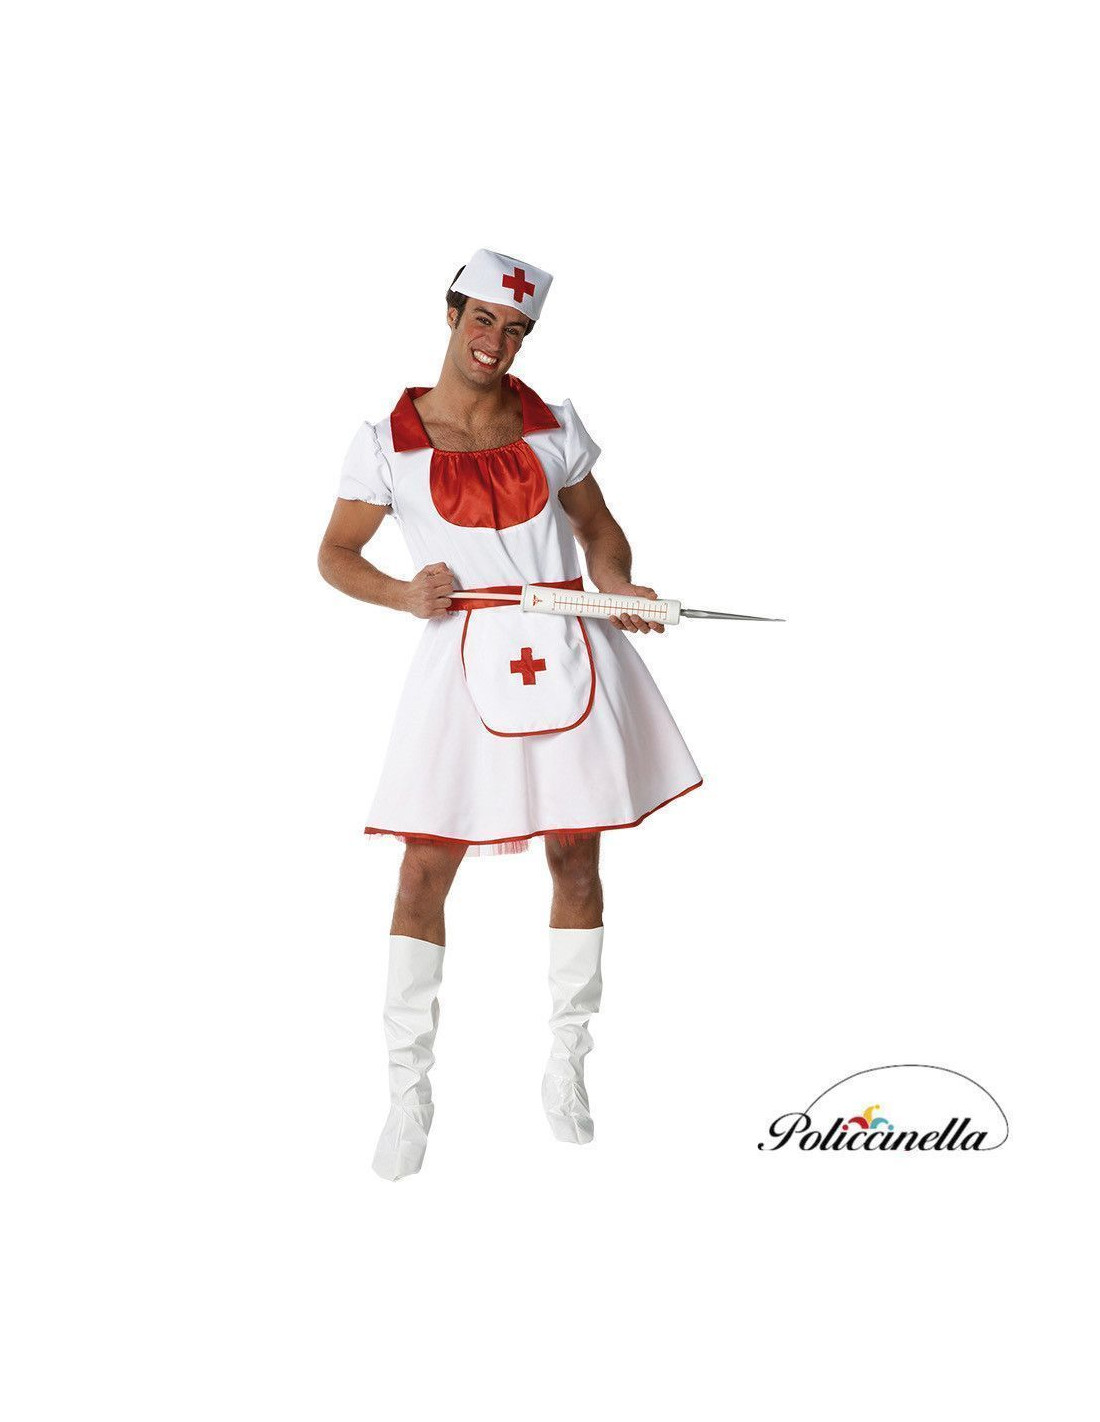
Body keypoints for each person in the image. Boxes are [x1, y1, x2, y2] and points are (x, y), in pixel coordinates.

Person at [318, 249, 701, 1180]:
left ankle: (568, 1063)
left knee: (575, 856)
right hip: (460, 665)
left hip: (567, 649)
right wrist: (402, 593)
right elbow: (335, 554)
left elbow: (598, 529)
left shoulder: (552, 427)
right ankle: (408, 1092)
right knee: (423, 869)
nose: (498, 341)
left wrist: (616, 583)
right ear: (452, 315)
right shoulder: (387, 443)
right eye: (484, 319)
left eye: (517, 329)